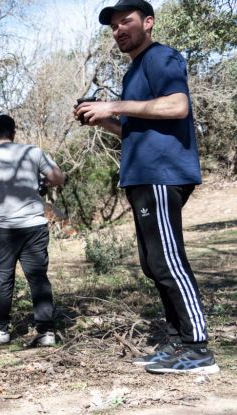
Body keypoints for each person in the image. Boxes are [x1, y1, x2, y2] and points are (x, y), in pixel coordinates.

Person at [75, 0, 218, 374]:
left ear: (148, 23)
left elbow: (177, 106)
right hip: (141, 174)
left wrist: (114, 105)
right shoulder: (134, 71)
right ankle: (176, 345)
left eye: (126, 22)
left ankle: (199, 349)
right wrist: (102, 119)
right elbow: (133, 131)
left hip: (161, 174)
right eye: (113, 27)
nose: (119, 30)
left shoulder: (161, 57)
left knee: (168, 261)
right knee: (153, 264)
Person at [0, 115, 65, 346]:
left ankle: (3, 331)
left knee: (2, 279)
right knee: (38, 279)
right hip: (34, 227)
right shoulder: (33, 153)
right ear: (14, 134)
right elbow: (58, 177)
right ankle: (46, 332)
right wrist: (43, 183)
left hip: (2, 229)